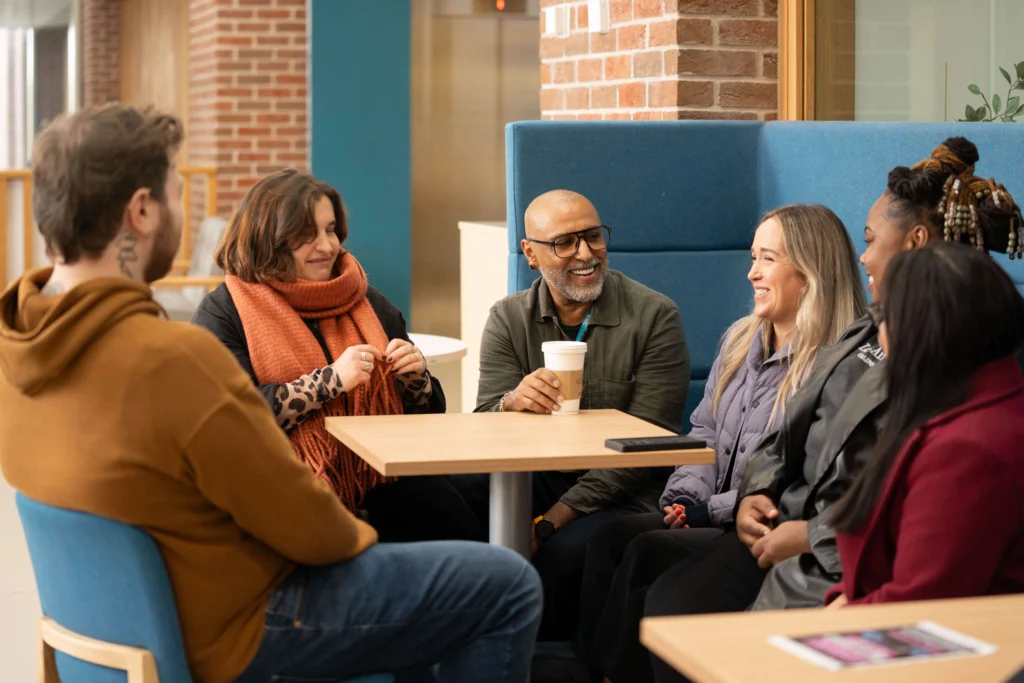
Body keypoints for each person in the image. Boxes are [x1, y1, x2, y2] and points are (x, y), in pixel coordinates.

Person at [0, 104, 541, 683]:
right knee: (506, 582)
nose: (183, 213)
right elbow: (311, 528)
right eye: (176, 194)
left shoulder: (20, 348)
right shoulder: (172, 359)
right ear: (140, 210)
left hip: (125, 621)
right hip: (239, 621)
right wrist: (369, 539)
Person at [641, 137, 1024, 683]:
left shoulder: (964, 430)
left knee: (683, 607)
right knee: (648, 576)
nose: (863, 256)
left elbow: (920, 584)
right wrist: (755, 493)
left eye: (870, 240)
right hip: (811, 540)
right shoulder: (872, 330)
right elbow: (790, 431)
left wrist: (821, 551)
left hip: (835, 558)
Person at [579, 204, 866, 682]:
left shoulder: (835, 365)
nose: (752, 272)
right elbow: (705, 430)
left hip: (761, 527)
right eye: (754, 257)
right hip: (714, 511)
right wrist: (688, 495)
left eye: (768, 259)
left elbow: (798, 481)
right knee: (609, 540)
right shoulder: (740, 340)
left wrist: (711, 508)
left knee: (658, 576)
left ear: (812, 270)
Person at [192, 169, 482, 543]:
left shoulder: (369, 302)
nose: (327, 246)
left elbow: (425, 418)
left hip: (383, 479)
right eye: (306, 235)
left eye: (330, 230)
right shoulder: (224, 311)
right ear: (268, 240)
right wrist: (327, 382)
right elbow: (232, 417)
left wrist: (417, 380)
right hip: (278, 489)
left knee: (462, 525)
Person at [451, 189, 690, 641]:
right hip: (533, 475)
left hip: (623, 488)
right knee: (445, 494)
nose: (585, 253)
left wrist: (548, 521)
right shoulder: (508, 317)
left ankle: (545, 659)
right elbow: (482, 421)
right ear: (530, 254)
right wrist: (511, 402)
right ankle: (462, 633)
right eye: (565, 242)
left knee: (565, 552)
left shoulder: (655, 316)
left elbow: (646, 450)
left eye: (593, 236)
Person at [826, 242, 1024, 607]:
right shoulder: (976, 406)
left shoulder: (967, 449)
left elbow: (920, 602)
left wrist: (840, 617)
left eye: (885, 315)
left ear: (921, 330)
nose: (880, 333)